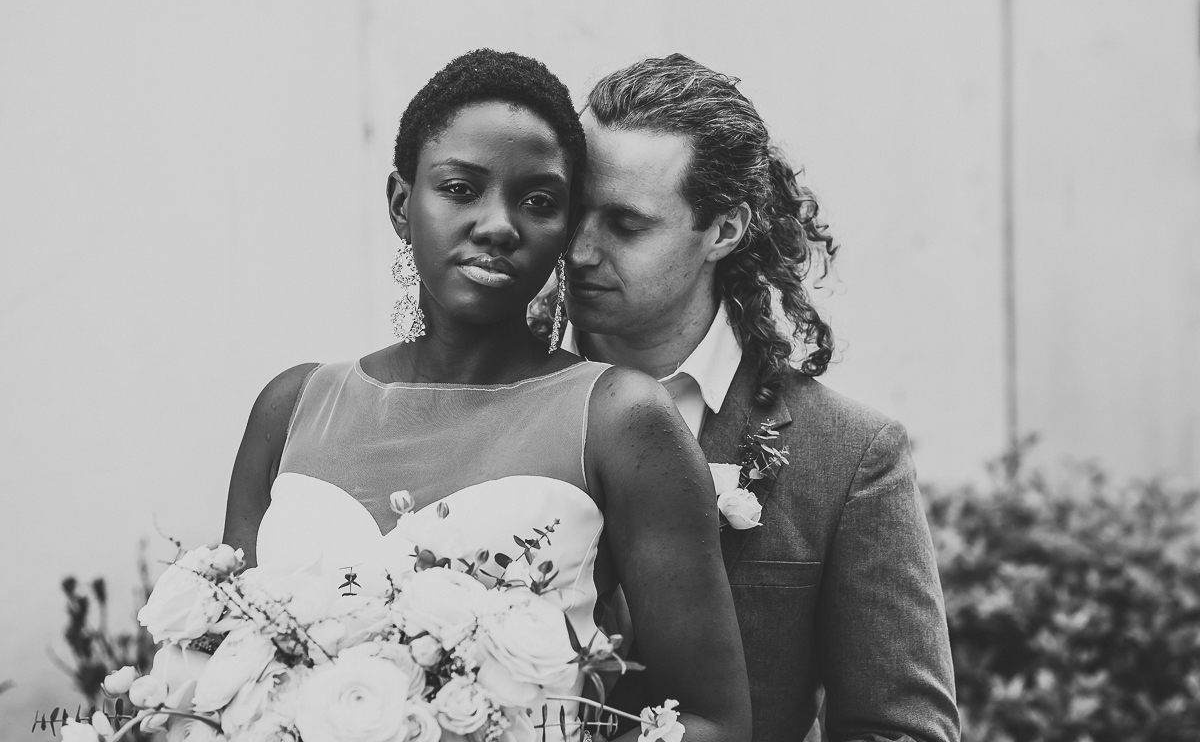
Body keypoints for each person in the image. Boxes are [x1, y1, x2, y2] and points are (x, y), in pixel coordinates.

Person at [221, 50, 751, 742]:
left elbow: (712, 721)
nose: (500, 224)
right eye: (461, 187)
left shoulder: (620, 418)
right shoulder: (290, 407)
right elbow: (216, 675)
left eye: (539, 202)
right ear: (401, 202)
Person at [559, 54, 960, 742]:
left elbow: (902, 731)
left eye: (625, 226)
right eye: (572, 210)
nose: (580, 251)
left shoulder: (849, 456)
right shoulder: (490, 403)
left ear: (725, 230)